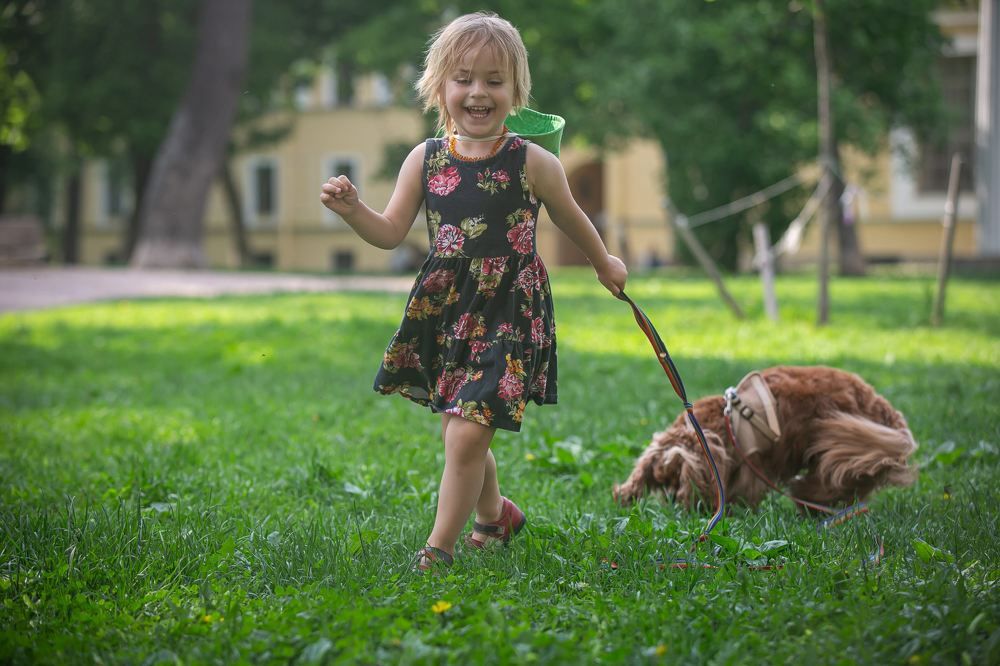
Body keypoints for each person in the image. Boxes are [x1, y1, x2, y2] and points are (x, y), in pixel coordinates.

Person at [320, 11, 627, 571]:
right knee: (458, 426)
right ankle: (495, 515)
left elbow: (572, 218)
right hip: (447, 309)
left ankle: (437, 551)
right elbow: (389, 234)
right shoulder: (426, 158)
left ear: (516, 91)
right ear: (440, 87)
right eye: (464, 78)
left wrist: (605, 262)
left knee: (465, 435)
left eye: (494, 80)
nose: (478, 92)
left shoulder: (533, 161)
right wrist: (352, 210)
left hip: (511, 305)